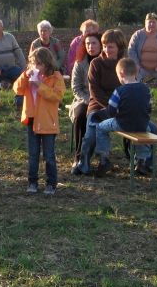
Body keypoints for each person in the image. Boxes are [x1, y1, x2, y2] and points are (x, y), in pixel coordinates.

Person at [73, 29, 126, 176]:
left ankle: (141, 161)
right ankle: (83, 162)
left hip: (121, 108)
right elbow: (95, 92)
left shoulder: (125, 64)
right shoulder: (96, 64)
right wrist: (110, 109)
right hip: (98, 106)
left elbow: (128, 88)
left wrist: (121, 108)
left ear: (119, 47)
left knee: (143, 127)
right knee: (91, 133)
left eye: (111, 47)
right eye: (105, 46)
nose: (106, 50)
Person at [13, 47, 65, 196]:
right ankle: (32, 182)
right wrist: (24, 76)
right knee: (33, 154)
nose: (36, 67)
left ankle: (51, 183)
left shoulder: (56, 77)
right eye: (34, 63)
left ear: (47, 64)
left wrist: (39, 86)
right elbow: (17, 89)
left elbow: (58, 96)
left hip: (48, 121)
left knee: (49, 154)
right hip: (31, 119)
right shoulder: (28, 75)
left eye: (39, 64)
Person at [94, 58, 155, 176]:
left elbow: (111, 111)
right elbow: (149, 109)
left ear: (121, 73)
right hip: (142, 124)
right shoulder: (146, 89)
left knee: (100, 127)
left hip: (122, 124)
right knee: (145, 132)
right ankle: (141, 162)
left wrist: (100, 115)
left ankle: (104, 158)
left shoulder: (119, 91)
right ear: (136, 72)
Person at [127, 13, 157, 108]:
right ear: (145, 23)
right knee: (133, 74)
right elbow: (131, 50)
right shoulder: (137, 35)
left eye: (154, 22)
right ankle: (137, 99)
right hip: (141, 67)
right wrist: (136, 64)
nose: (151, 25)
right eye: (149, 22)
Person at [68, 33, 102, 167]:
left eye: (94, 43)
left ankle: (102, 156)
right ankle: (79, 157)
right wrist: (89, 100)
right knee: (81, 114)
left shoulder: (106, 61)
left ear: (100, 45)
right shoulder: (80, 63)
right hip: (84, 99)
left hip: (104, 100)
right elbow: (76, 88)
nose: (90, 46)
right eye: (87, 43)